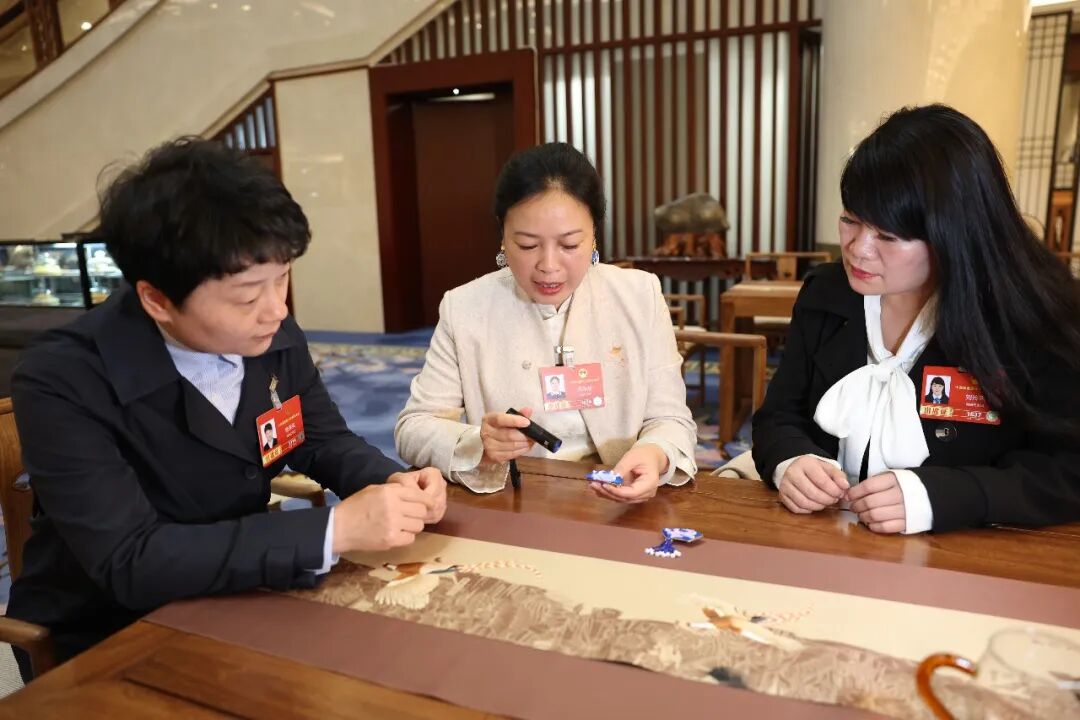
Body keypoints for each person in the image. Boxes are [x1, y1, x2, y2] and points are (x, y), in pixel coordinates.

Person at [7, 138, 447, 681]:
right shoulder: (65, 378)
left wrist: (394, 483)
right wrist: (334, 530)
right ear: (156, 299)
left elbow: (319, 438)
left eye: (283, 278)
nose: (277, 310)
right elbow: (131, 560)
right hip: (111, 632)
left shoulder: (269, 333)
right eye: (247, 296)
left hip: (240, 593)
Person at [752, 104, 1080, 534]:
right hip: (826, 539)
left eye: (888, 236)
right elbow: (778, 415)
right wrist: (792, 460)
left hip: (967, 553)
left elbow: (1066, 469)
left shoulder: (1029, 317)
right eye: (850, 220)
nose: (858, 249)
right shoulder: (828, 295)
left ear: (953, 235)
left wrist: (942, 497)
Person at [395, 142, 697, 501]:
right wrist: (478, 443)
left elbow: (672, 419)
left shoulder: (638, 295)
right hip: (516, 501)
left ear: (594, 234)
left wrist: (654, 453)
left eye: (569, 245)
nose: (549, 266)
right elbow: (413, 428)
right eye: (527, 245)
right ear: (503, 237)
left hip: (620, 500)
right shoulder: (465, 308)